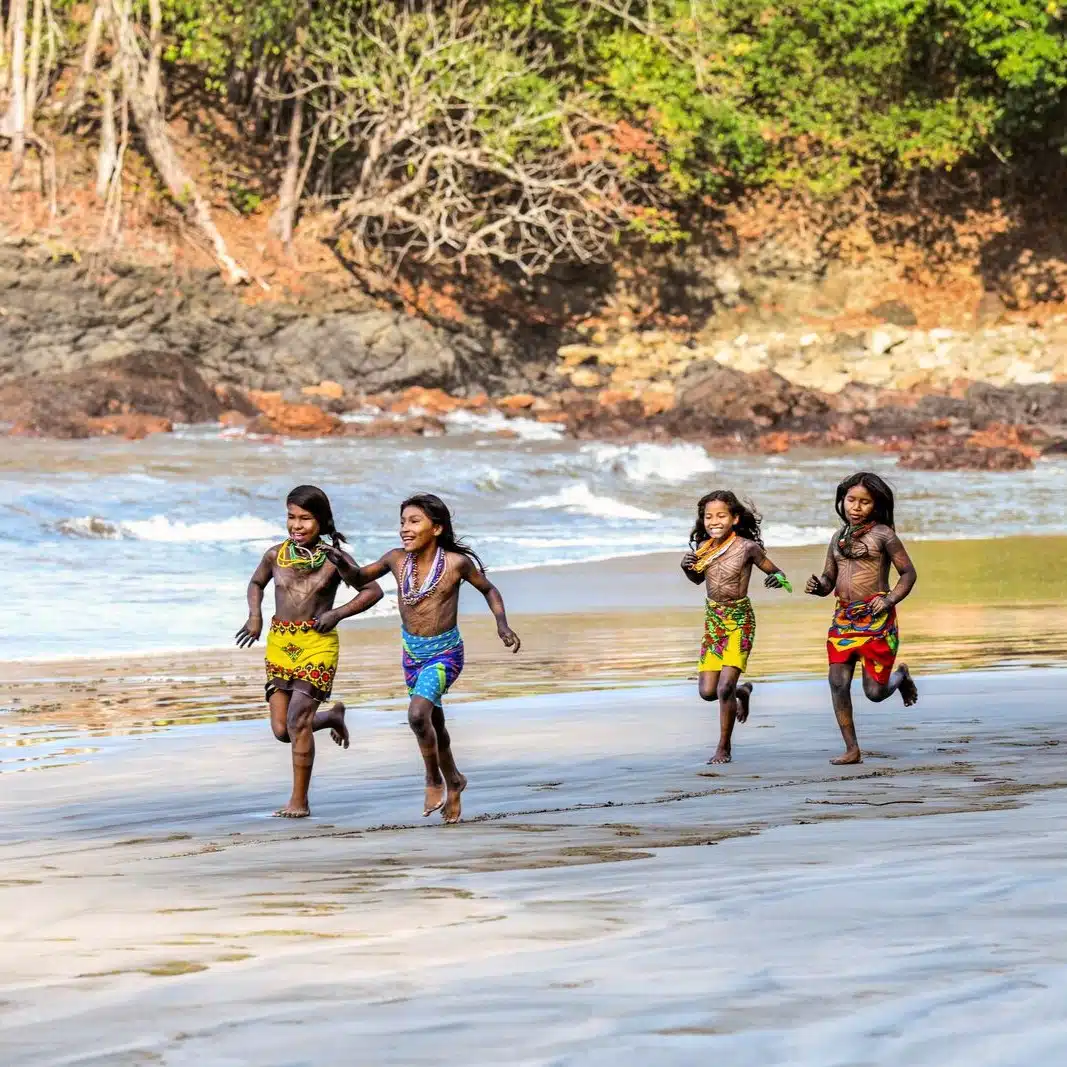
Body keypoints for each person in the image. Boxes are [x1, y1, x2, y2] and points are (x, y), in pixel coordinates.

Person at [327, 493, 520, 824]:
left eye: (414, 521)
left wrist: (502, 625)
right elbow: (359, 579)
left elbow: (489, 589)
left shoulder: (456, 564)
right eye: (402, 522)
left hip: (446, 654)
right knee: (435, 725)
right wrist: (343, 563)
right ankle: (455, 781)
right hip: (412, 654)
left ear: (436, 528)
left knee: (417, 716)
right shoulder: (396, 559)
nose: (405, 528)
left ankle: (433, 780)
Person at [235, 485, 383, 817]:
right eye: (291, 517)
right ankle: (331, 716)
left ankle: (299, 802)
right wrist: (255, 616)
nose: (297, 525)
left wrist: (337, 613)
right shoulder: (275, 554)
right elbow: (256, 583)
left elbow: (372, 590)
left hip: (317, 645)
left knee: (297, 721)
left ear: (322, 521)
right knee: (281, 730)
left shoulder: (335, 559)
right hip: (280, 644)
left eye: (305, 518)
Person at [806, 471, 918, 765]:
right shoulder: (837, 538)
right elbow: (830, 578)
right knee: (837, 681)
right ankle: (852, 748)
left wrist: (890, 598)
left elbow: (908, 573)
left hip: (876, 619)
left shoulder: (884, 535)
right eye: (850, 500)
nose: (855, 507)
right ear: (842, 501)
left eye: (864, 502)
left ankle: (901, 676)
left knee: (875, 693)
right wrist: (820, 588)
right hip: (843, 620)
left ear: (876, 505)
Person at [681, 490, 791, 764]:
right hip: (714, 623)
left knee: (723, 688)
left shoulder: (746, 547)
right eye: (708, 517)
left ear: (735, 518)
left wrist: (777, 579)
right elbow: (697, 581)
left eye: (720, 515)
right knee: (708, 692)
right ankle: (742, 692)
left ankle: (723, 748)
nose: (713, 521)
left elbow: (777, 572)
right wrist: (686, 568)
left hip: (740, 621)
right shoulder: (704, 548)